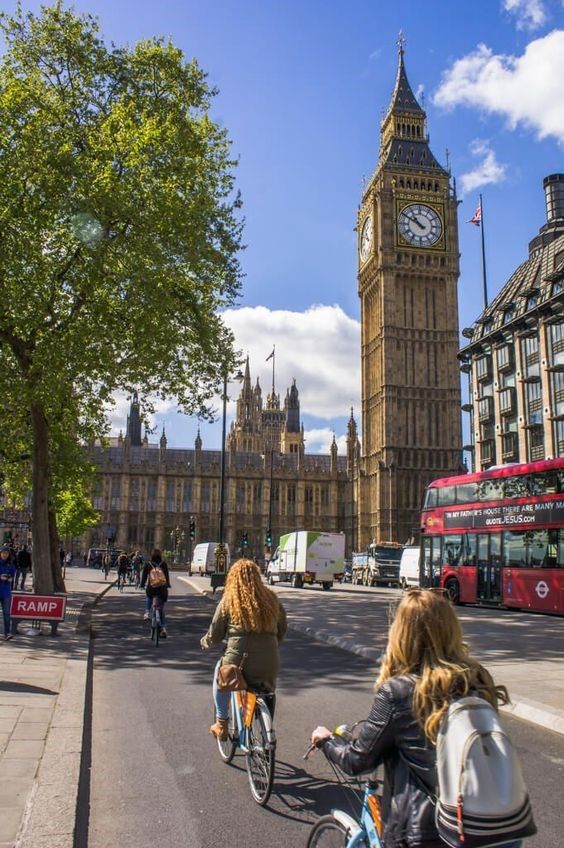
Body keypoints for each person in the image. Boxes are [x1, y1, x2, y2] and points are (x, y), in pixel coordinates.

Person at [310, 589, 520, 848]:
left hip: (433, 835)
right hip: (496, 828)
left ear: (400, 635)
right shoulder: (478, 679)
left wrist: (327, 741)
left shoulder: (399, 691)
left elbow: (358, 760)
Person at [201, 558, 287, 741]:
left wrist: (206, 642)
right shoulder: (272, 598)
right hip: (270, 659)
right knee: (267, 689)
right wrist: (273, 644)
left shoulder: (229, 600)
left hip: (239, 660)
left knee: (221, 675)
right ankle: (266, 730)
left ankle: (221, 723)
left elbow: (216, 633)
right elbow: (282, 628)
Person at [140, 549, 171, 637]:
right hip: (162, 590)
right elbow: (167, 576)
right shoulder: (163, 564)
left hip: (152, 588)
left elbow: (144, 577)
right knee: (161, 609)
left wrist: (142, 585)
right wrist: (167, 585)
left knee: (149, 597)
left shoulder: (148, 564)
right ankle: (163, 628)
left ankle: (146, 613)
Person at [0, 544, 16, 640]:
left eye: (6, 553)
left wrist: (10, 579)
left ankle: (7, 633)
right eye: (3, 553)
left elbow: (12, 575)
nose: (5, 555)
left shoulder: (11, 565)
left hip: (6, 592)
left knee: (6, 613)